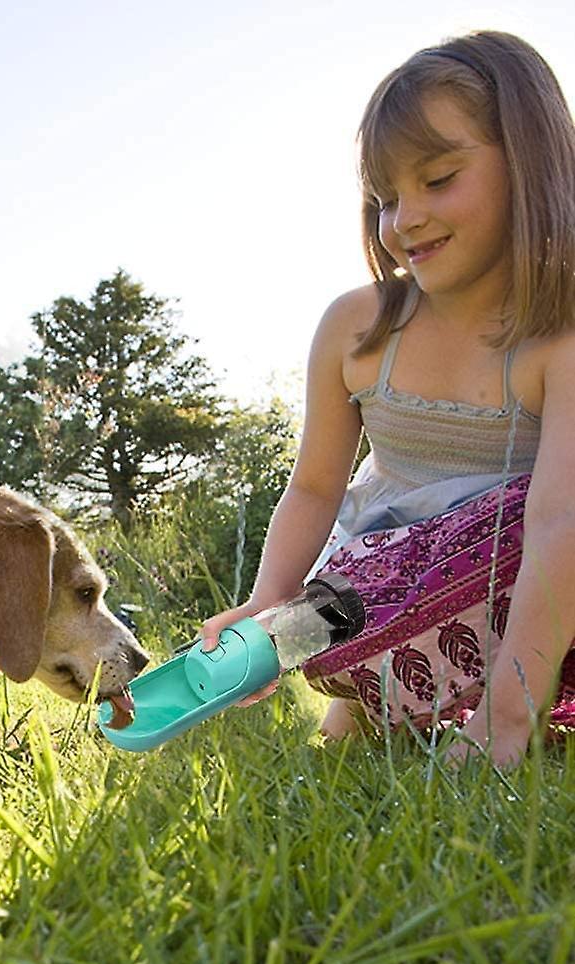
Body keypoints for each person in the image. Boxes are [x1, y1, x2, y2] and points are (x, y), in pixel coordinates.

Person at [202, 30, 575, 768]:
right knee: (317, 633)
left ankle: (501, 702)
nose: (403, 219)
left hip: (538, 596)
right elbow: (314, 488)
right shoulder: (358, 330)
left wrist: (506, 718)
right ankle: (367, 698)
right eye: (384, 198)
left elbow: (558, 526)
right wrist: (266, 603)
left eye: (438, 179)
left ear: (529, 164)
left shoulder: (557, 342)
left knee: (532, 523)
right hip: (375, 587)